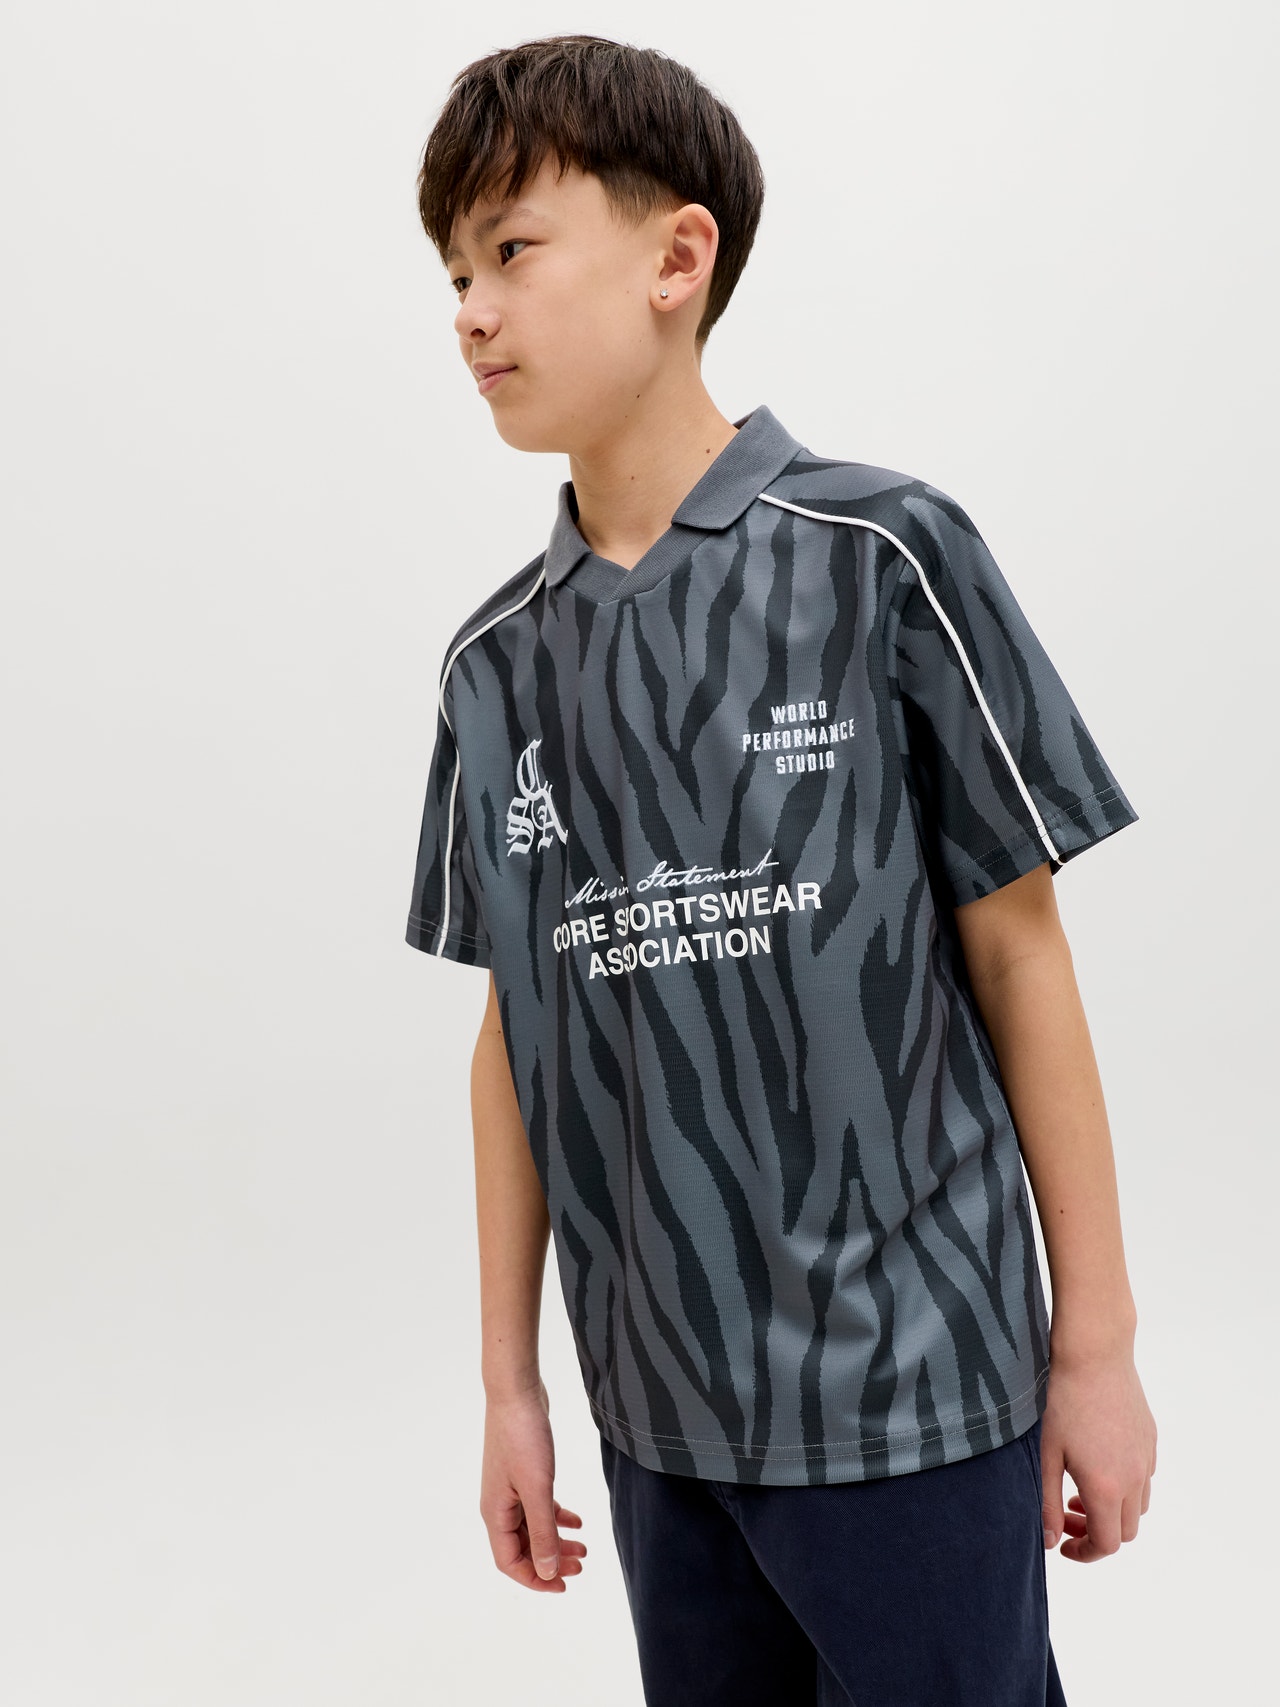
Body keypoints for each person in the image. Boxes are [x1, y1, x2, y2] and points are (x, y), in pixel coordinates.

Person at [404, 33, 1157, 1707]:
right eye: (452, 274)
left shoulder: (886, 552)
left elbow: (1022, 952)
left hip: (919, 1398)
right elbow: (510, 1037)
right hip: (658, 1424)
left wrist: (1095, 1351)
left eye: (511, 250)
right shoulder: (491, 668)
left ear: (679, 257)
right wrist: (512, 1388)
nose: (470, 312)